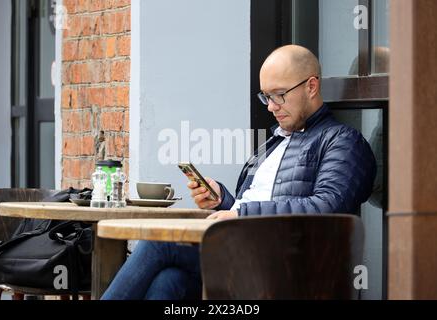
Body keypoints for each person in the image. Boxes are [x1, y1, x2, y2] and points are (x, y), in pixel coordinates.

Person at [101, 45, 376, 300]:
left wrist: (240, 214)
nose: (270, 106)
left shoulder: (342, 142)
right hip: (247, 255)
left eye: (279, 95)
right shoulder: (272, 144)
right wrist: (223, 201)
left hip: (288, 267)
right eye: (265, 96)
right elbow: (254, 206)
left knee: (160, 244)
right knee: (168, 281)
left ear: (311, 86)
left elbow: (326, 208)